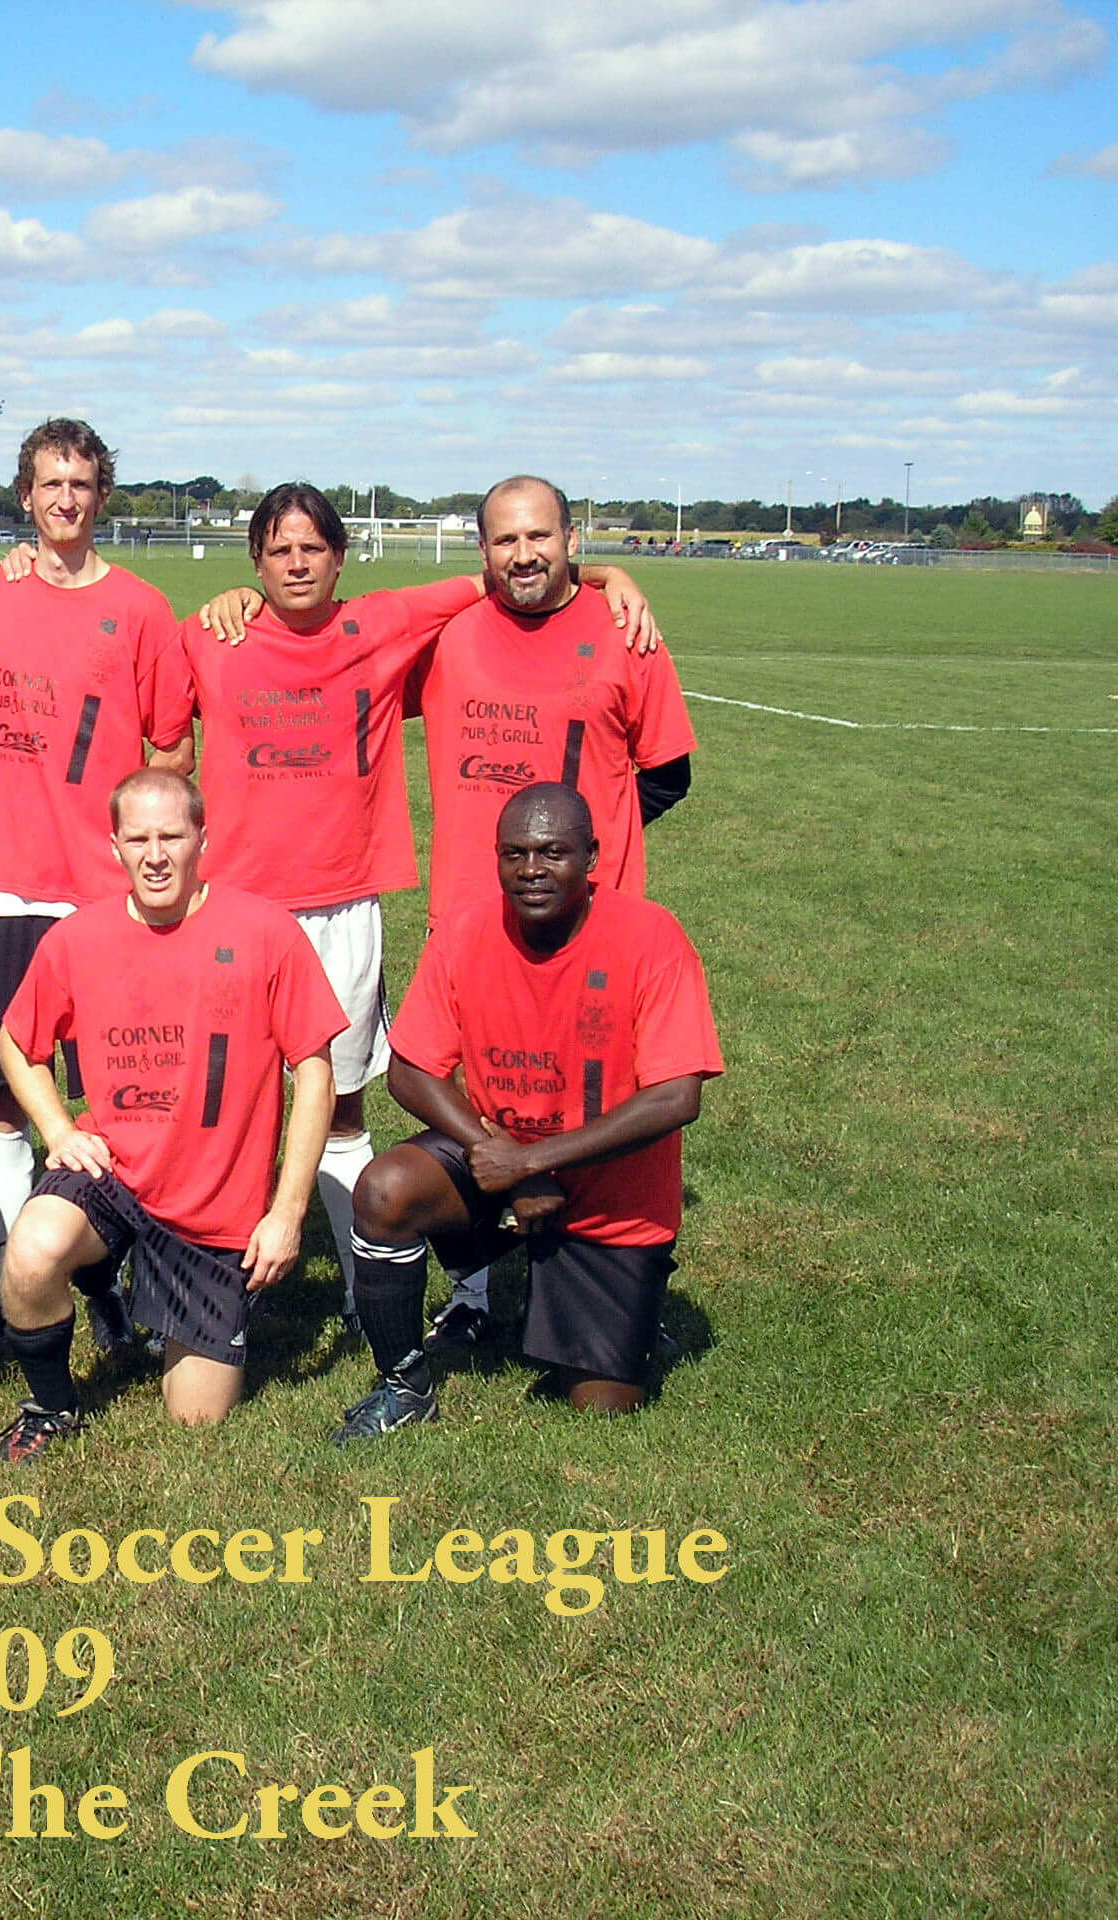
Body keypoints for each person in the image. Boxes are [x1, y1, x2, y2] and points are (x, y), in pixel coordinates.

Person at [177, 484, 658, 1339]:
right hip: (236, 911)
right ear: (255, 561)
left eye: (313, 548)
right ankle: (200, 1281)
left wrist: (606, 574)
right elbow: (156, 724)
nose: (296, 563)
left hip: (343, 906)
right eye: (278, 550)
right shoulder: (211, 635)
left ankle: (367, 1290)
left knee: (344, 1104)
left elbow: (508, 576)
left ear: (340, 559)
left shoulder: (383, 625)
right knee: (222, 1108)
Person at [334, 783, 722, 1443]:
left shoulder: (651, 937)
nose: (531, 870)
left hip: (612, 1194)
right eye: (513, 854)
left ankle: (632, 1306)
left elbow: (675, 1097)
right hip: (496, 1162)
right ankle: (404, 1386)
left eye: (551, 852)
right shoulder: (465, 931)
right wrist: (511, 1167)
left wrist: (531, 1161)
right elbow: (410, 1071)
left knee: (602, 1411)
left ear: (591, 856)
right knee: (385, 1189)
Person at [414, 476, 698, 1346]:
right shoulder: (449, 633)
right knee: (470, 1102)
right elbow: (334, 635)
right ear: (481, 550)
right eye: (505, 540)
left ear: (572, 539)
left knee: (590, 1102)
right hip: (472, 921)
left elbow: (668, 773)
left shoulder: (622, 631)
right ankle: (471, 1295)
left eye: (540, 536)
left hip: (590, 936)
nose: (524, 554)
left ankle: (602, 1277)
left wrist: (582, 858)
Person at [0, 770, 345, 1459]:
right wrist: (58, 1128)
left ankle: (149, 1292)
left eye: (172, 837)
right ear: (114, 846)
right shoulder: (78, 938)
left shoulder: (264, 932)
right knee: (31, 1254)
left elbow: (315, 1070)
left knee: (195, 1421)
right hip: (114, 1174)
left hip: (213, 1213)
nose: (155, 856)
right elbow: (16, 1041)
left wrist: (287, 1212)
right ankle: (53, 1404)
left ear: (202, 840)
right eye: (138, 839)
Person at [0, 417, 192, 1345]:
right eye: (50, 484)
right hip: (11, 882)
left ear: (101, 495)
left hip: (103, 894)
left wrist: (137, 849)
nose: (65, 500)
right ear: (25, 496)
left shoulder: (141, 608)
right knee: (9, 1094)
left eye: (81, 484)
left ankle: (124, 1277)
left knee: (125, 1098)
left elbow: (172, 747)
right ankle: (19, 1278)